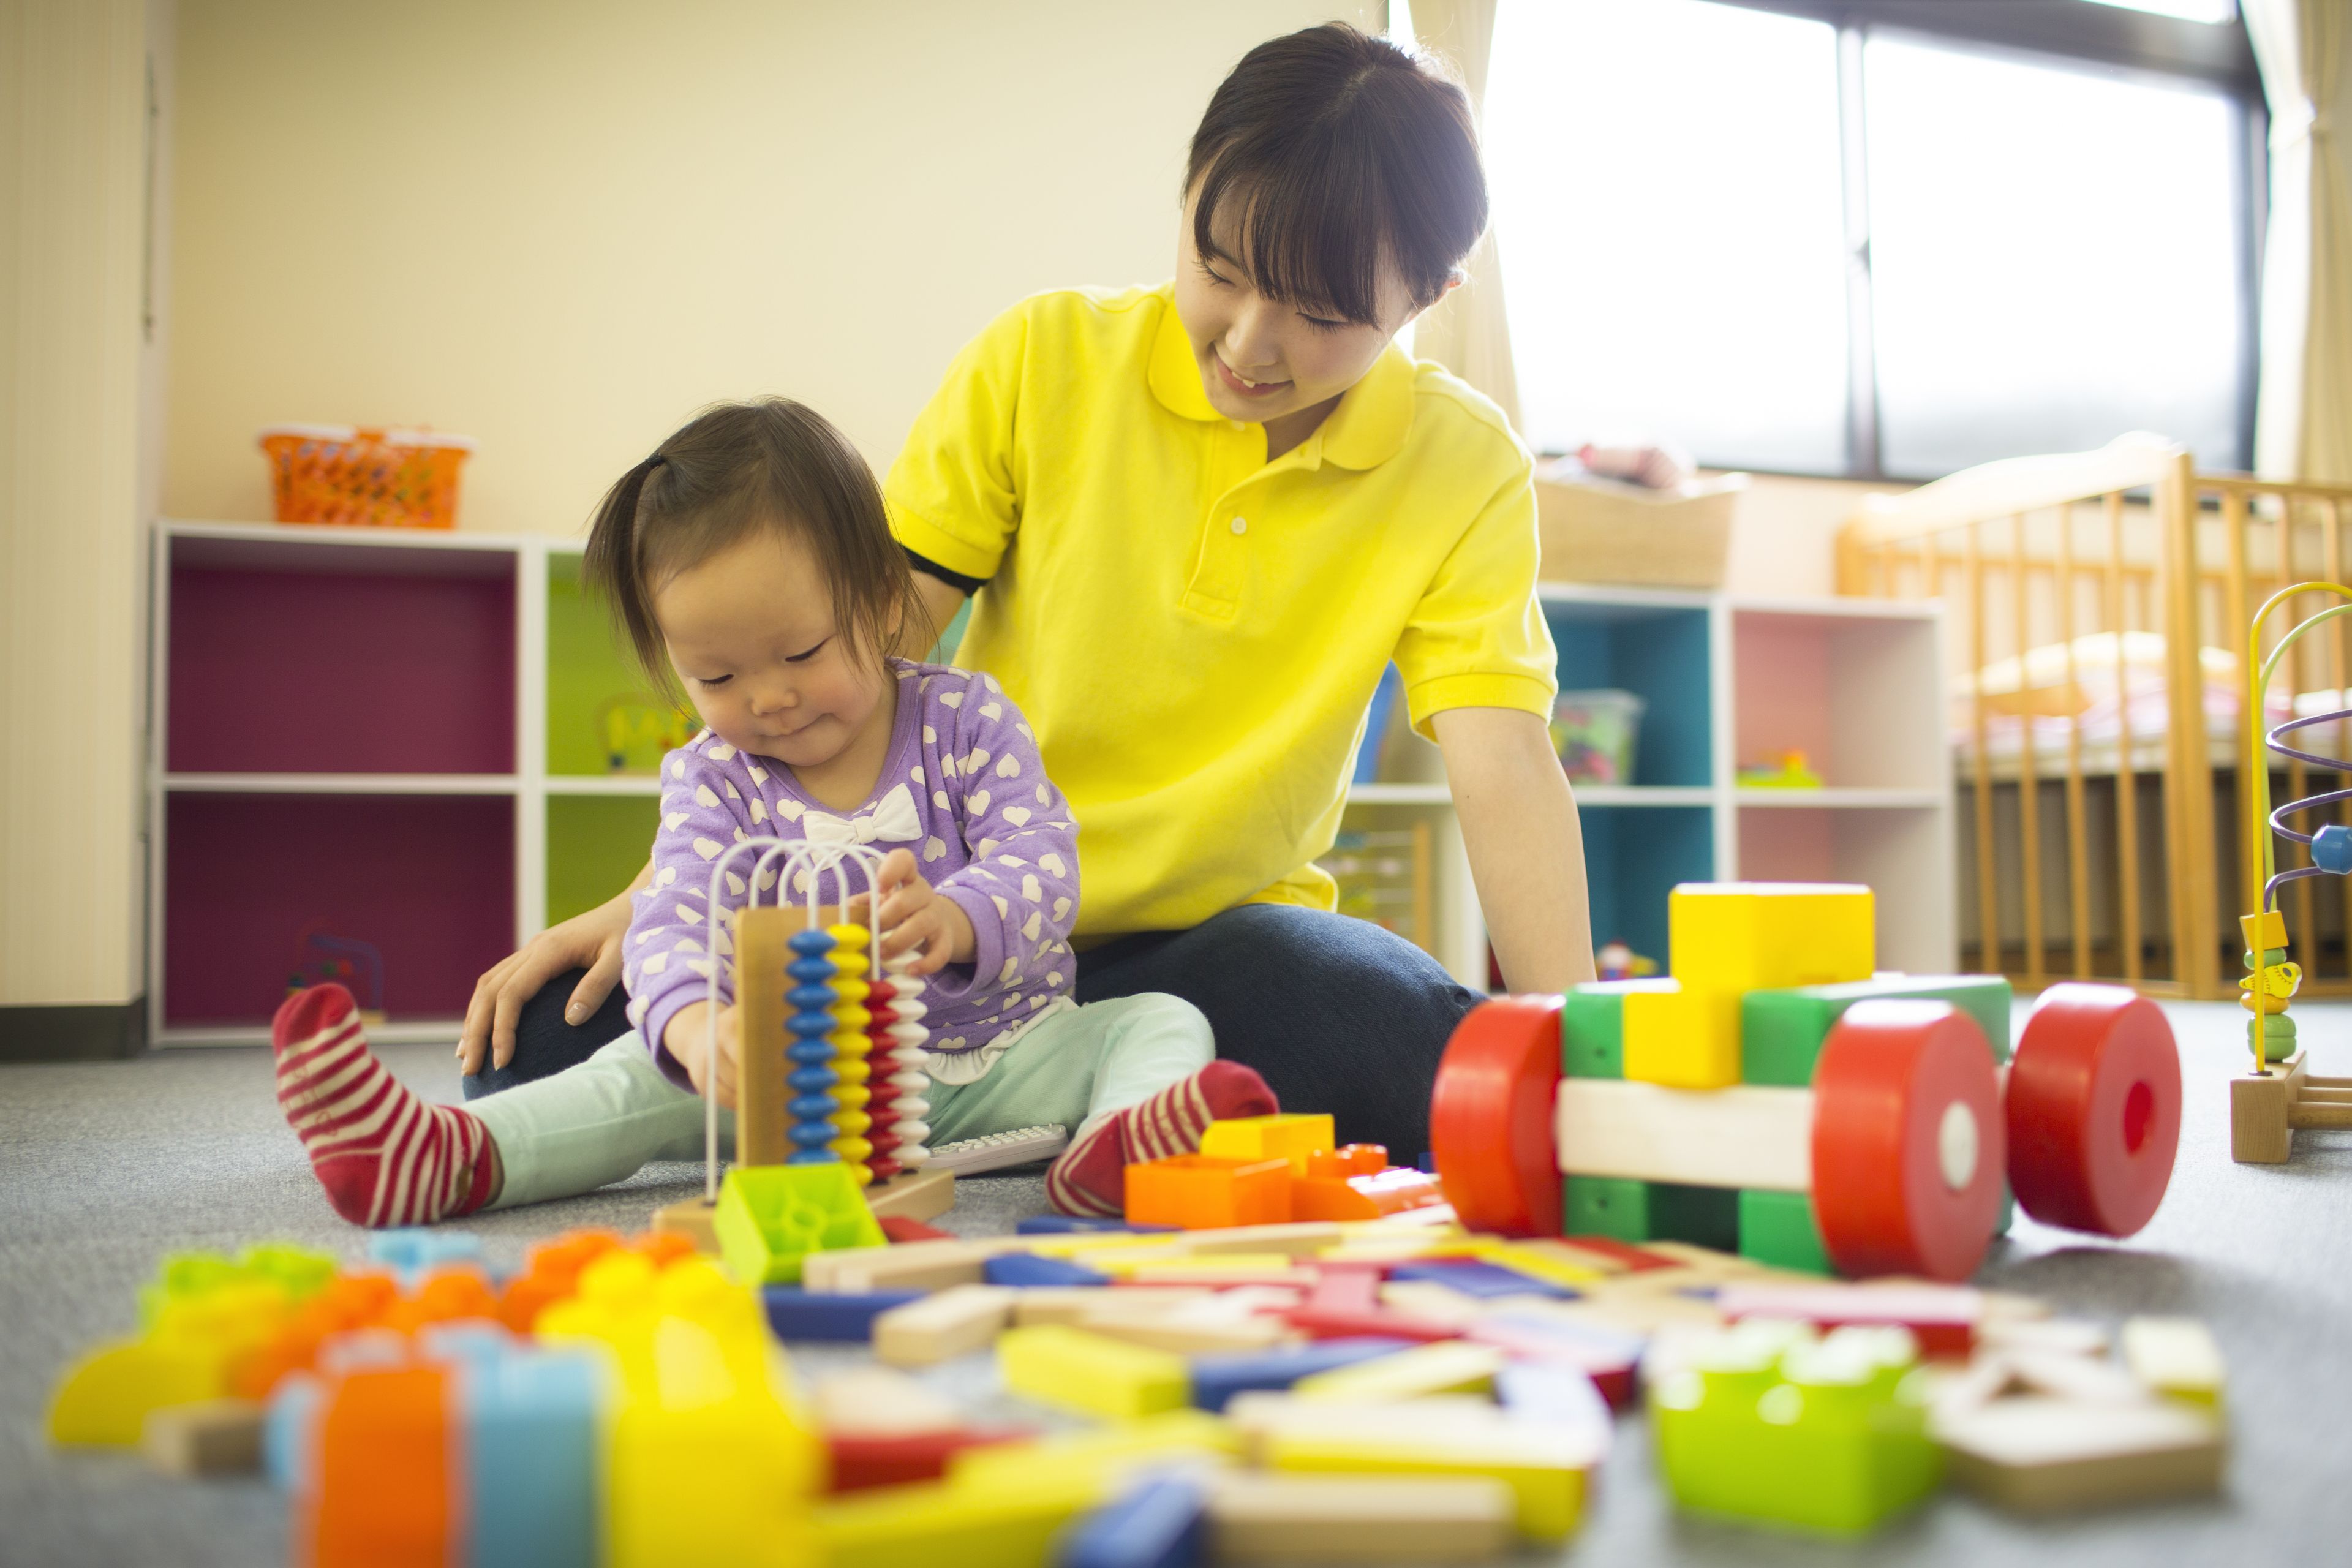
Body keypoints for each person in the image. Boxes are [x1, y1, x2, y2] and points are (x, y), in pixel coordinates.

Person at [460, 23, 1596, 1159]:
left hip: (1215, 948)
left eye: (1323, 316)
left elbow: (1502, 759)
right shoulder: (1044, 357)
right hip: (940, 921)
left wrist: (1575, 1048)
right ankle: (1088, 1109)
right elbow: (843, 655)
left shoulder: (1465, 462)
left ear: (1433, 295)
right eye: (1222, 272)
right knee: (538, 1051)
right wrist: (666, 896)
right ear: (1190, 189)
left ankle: (1097, 1107)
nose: (1251, 343)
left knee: (1399, 1044)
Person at [268, 398, 1272, 1227]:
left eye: (800, 654)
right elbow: (671, 916)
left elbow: (1043, 854)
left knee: (1157, 1019)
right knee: (632, 1077)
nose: (770, 700)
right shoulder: (713, 778)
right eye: (716, 676)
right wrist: (701, 1030)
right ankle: (447, 1154)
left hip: (1003, 1051)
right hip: (797, 1080)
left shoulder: (962, 717)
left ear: (881, 599)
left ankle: (1121, 1149)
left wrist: (959, 916)